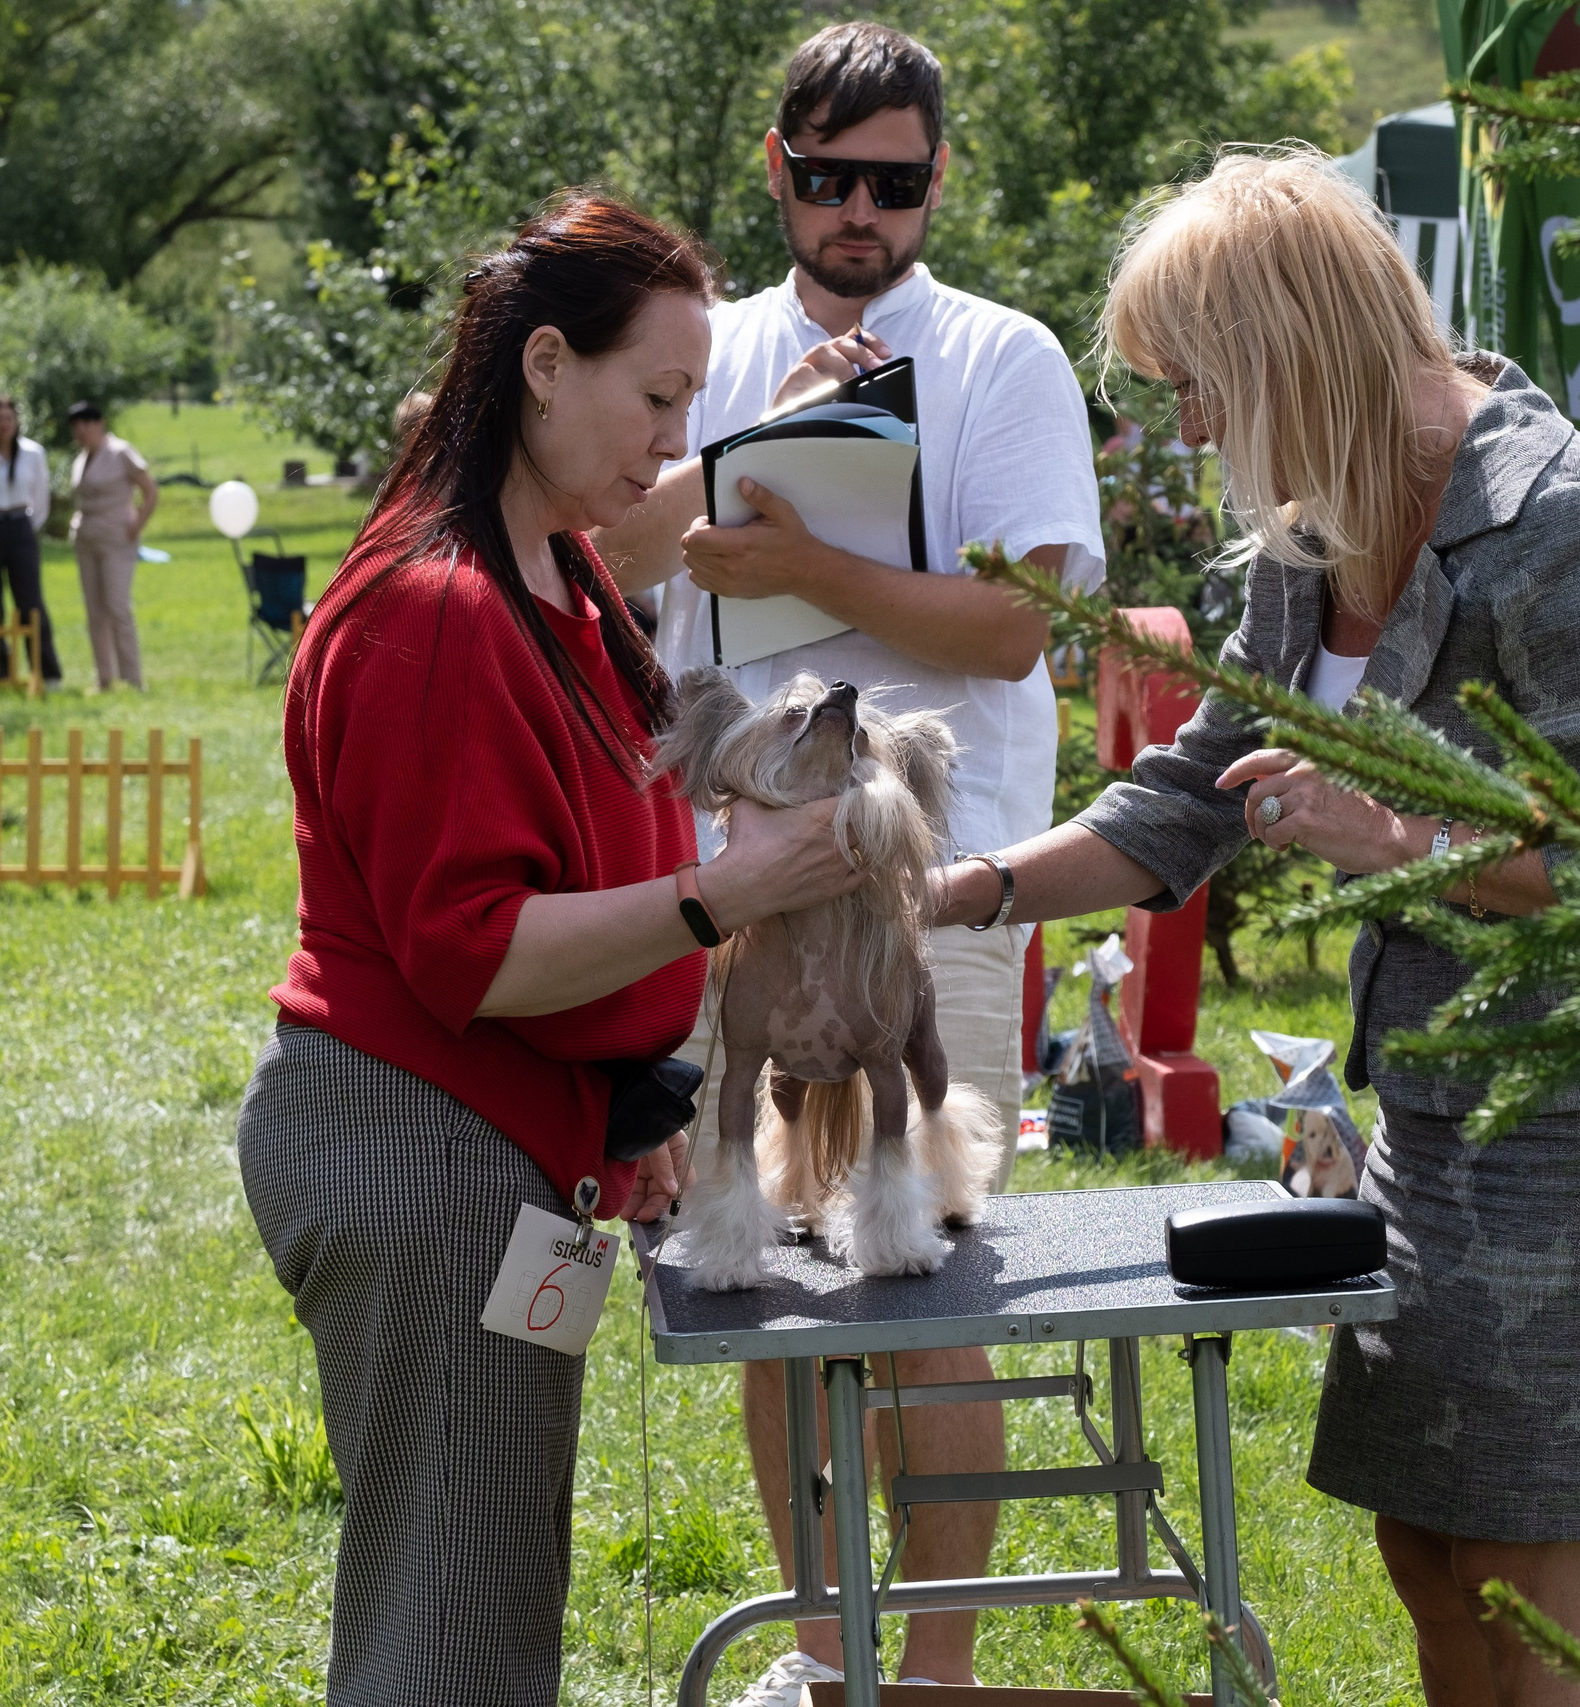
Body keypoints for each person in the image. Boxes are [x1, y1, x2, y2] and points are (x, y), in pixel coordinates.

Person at [927, 150, 1580, 1707]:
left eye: (1203, 384)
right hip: (1429, 1112)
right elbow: (1189, 792)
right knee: (1428, 1554)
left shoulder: (1578, 531)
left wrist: (1398, 838)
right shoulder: (1323, 534)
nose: (1197, 429)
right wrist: (975, 887)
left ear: (1293, 347)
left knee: (1531, 1577)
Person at [234, 192, 860, 1707]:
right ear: (542, 366)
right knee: (446, 1636)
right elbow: (478, 955)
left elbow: (580, 872)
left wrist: (613, 1101)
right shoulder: (438, 609)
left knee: (491, 1593)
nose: (671, 440)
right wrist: (734, 888)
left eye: (690, 403)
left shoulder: (560, 572)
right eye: (656, 398)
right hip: (426, 1161)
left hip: (516, 1151)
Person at [591, 23, 1104, 1698]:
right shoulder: (702, 354)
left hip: (935, 883)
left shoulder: (1000, 358)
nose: (859, 213)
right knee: (774, 1271)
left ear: (940, 177)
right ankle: (826, 1663)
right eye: (828, 181)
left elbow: (1026, 627)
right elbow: (598, 561)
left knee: (930, 1268)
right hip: (735, 881)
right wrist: (731, 471)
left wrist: (813, 559)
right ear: (777, 170)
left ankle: (936, 1674)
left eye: (892, 182)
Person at [65, 401, 157, 692]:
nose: (81, 430)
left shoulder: (120, 452)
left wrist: (136, 524)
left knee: (117, 606)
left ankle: (132, 678)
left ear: (99, 424)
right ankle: (104, 678)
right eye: (76, 425)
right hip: (86, 537)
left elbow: (150, 491)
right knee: (95, 611)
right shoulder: (81, 457)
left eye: (86, 423)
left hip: (116, 536)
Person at [0, 396, 64, 686]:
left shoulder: (32, 453)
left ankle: (47, 673)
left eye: (8, 419)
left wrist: (27, 526)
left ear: (16, 422)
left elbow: (41, 498)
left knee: (30, 603)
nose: (4, 425)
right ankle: (0, 672)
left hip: (19, 526)